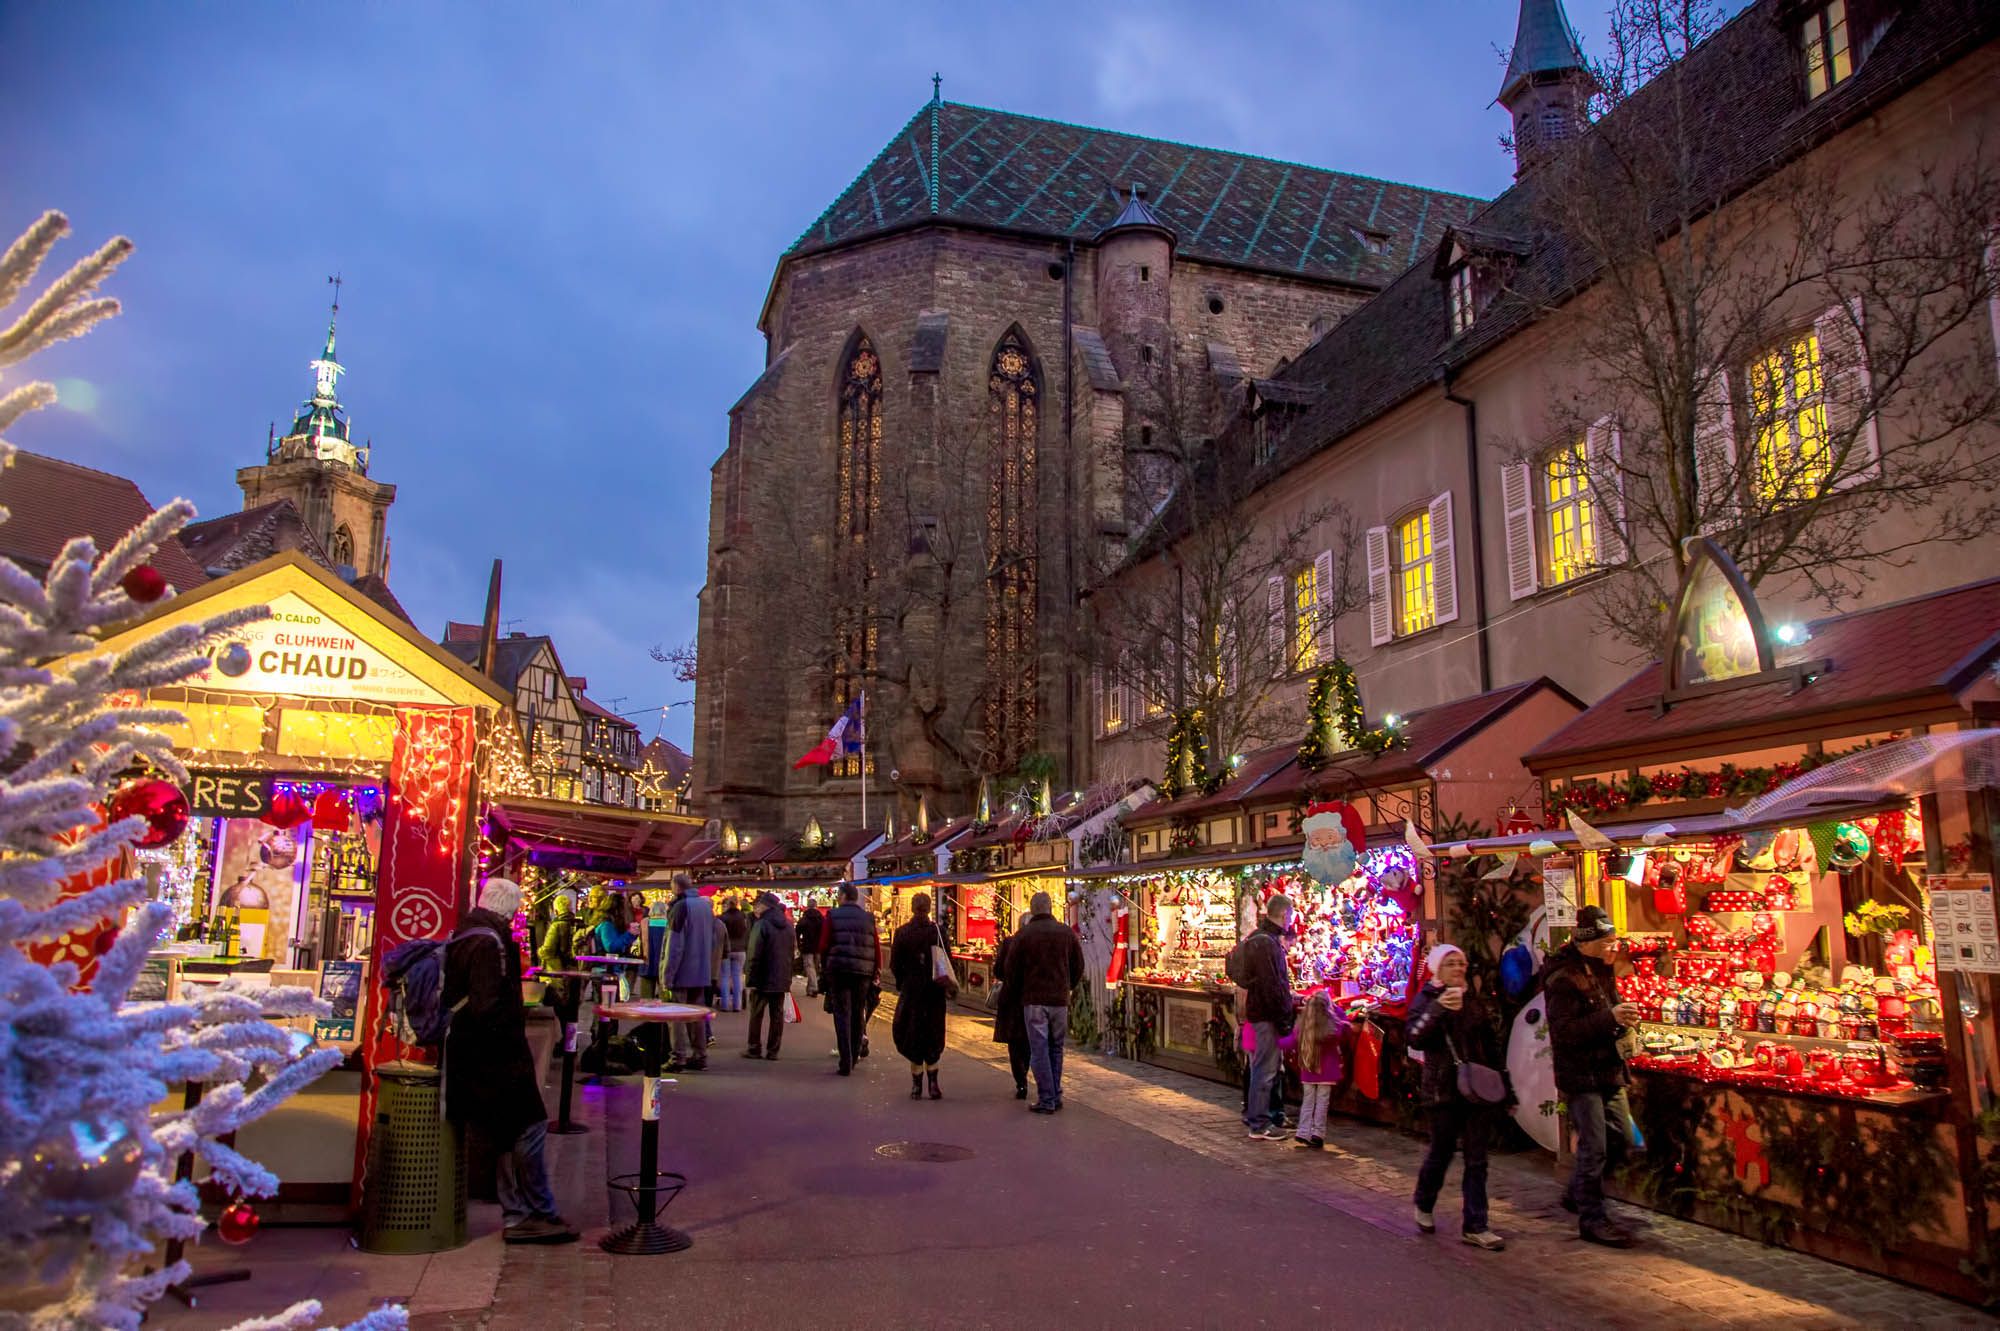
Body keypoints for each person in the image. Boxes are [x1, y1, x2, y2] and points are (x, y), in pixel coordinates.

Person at [442, 879, 577, 1245]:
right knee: (531, 1125)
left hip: (473, 1054)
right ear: (510, 909)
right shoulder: (490, 942)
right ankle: (534, 1212)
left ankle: (520, 1213)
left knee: (505, 1135)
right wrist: (511, 1041)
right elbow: (486, 1005)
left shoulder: (466, 933)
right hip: (495, 1057)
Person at [1546, 904, 1641, 1247]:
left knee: (1623, 1138)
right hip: (1581, 1074)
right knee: (1594, 1146)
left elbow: (1608, 1009)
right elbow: (1564, 1032)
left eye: (1614, 941)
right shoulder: (1562, 978)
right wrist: (1610, 1018)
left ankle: (1578, 1191)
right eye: (1607, 942)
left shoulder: (1601, 968)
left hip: (1608, 1069)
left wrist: (1624, 1024)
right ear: (1586, 943)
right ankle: (1593, 1219)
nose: (1613, 947)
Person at [1405, 943, 1508, 1251]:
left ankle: (1476, 1225)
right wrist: (1437, 1009)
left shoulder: (1472, 1000)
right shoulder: (1427, 999)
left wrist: (1505, 1086)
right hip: (1443, 1091)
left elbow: (1490, 1045)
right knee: (1442, 1151)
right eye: (1451, 963)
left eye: (1461, 963)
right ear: (1438, 968)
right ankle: (1424, 1201)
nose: (1458, 968)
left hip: (1475, 1090)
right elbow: (1414, 1037)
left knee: (1477, 1159)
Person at [1003, 891, 1084, 1114]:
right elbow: (1078, 965)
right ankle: (1055, 1094)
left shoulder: (1024, 935)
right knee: (1056, 1048)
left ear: (1033, 909)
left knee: (1039, 1049)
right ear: (1050, 908)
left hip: (1034, 1000)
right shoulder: (1065, 933)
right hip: (1059, 1000)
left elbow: (1010, 969)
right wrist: (1067, 986)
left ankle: (1047, 1098)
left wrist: (1021, 991)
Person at [1239, 893, 1297, 1140]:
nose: (1291, 920)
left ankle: (1262, 1118)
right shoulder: (1267, 943)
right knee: (1265, 1070)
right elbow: (1272, 985)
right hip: (1266, 1015)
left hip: (1262, 1012)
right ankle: (1259, 1123)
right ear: (1284, 914)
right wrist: (1283, 1018)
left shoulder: (1261, 939)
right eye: (1290, 915)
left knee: (1264, 1069)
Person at [890, 892, 953, 1099]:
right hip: (934, 992)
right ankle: (933, 1083)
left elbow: (894, 964)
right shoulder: (938, 932)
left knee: (913, 1034)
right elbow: (947, 960)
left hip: (912, 992)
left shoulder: (902, 933)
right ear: (928, 908)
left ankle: (916, 1085)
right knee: (933, 1034)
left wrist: (903, 982)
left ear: (912, 908)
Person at [819, 883, 880, 1075]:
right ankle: (854, 1056)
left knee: (842, 1014)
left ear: (844, 896)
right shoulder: (868, 918)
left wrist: (825, 967)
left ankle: (845, 1060)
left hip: (839, 970)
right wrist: (875, 971)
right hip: (862, 972)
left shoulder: (833, 916)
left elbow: (824, 945)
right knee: (857, 1012)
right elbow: (876, 947)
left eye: (839, 895)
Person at [662, 873, 719, 1071]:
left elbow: (674, 945)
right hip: (701, 970)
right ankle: (700, 1055)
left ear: (676, 887)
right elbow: (713, 940)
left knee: (676, 1016)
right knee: (697, 1016)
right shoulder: (705, 907)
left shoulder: (680, 907)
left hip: (682, 971)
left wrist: (667, 975)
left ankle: (677, 1058)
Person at [1284, 990, 1349, 1151]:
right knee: (1322, 1103)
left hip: (1308, 1070)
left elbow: (1289, 1042)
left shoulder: (1303, 1028)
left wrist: (1275, 1041)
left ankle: (1303, 1131)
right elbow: (1345, 1026)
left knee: (1307, 1101)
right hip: (1327, 1072)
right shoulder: (1333, 1029)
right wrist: (1335, 1008)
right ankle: (1317, 1134)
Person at [743, 892, 796, 1060]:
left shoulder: (761, 925)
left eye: (758, 904)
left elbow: (754, 953)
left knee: (756, 1014)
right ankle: (773, 1050)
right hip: (781, 976)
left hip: (762, 976)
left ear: (765, 906)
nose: (756, 907)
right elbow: (791, 953)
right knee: (777, 1015)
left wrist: (750, 978)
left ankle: (754, 1048)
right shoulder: (788, 926)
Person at [991, 920, 1031, 1099]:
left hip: (1011, 998)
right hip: (1030, 996)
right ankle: (1024, 1074)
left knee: (1014, 1042)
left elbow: (998, 970)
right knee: (1028, 1040)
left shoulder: (1009, 943)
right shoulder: (1036, 943)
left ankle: (1021, 1081)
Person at [717, 897, 749, 1012]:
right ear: (737, 904)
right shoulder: (743, 917)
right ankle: (737, 1005)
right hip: (740, 950)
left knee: (725, 977)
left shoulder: (722, 918)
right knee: (737, 977)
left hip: (726, 950)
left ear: (727, 905)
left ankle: (725, 1004)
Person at [798, 900, 825, 997]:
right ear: (816, 906)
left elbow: (798, 931)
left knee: (809, 967)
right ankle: (810, 989)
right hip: (818, 947)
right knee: (815, 968)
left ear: (807, 906)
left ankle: (813, 987)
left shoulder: (804, 918)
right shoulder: (821, 918)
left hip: (807, 946)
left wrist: (799, 944)